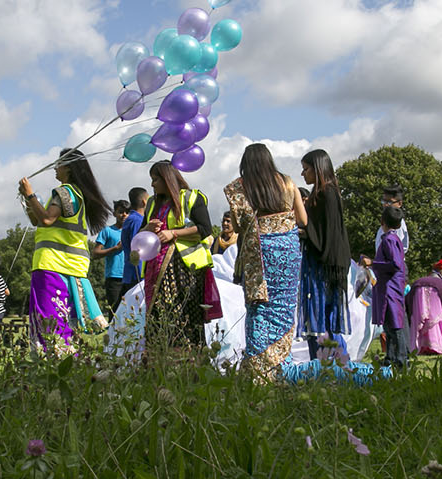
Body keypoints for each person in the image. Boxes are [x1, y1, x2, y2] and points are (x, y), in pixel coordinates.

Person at [227, 143, 307, 380]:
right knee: (283, 306)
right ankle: (282, 366)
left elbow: (239, 226)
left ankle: (258, 371)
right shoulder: (288, 182)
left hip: (259, 254)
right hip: (287, 251)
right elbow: (302, 219)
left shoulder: (239, 188)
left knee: (259, 306)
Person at [18, 148, 110, 354]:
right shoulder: (74, 194)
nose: (54, 168)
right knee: (60, 320)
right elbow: (37, 219)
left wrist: (31, 193)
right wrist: (27, 199)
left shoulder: (65, 192)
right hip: (68, 266)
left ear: (68, 168)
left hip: (52, 264)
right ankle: (66, 363)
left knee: (49, 321)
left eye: (59, 164)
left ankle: (56, 363)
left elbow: (46, 220)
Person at [138, 160, 221, 360]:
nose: (152, 185)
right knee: (158, 315)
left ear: (168, 179)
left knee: (184, 315)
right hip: (156, 271)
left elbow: (204, 229)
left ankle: (190, 363)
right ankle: (159, 362)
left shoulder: (192, 198)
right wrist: (147, 229)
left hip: (184, 270)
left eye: (155, 180)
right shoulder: (152, 204)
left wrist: (173, 233)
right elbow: (141, 233)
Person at [298, 149, 352, 359]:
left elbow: (327, 233)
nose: (303, 174)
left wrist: (304, 231)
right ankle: (327, 364)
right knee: (321, 318)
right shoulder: (324, 193)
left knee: (321, 318)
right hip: (323, 263)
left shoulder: (326, 193)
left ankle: (332, 365)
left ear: (318, 168)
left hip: (323, 266)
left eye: (306, 169)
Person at [370, 204, 409, 367]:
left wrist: (373, 263)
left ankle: (401, 360)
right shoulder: (394, 239)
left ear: (382, 221)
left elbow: (395, 264)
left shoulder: (389, 240)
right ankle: (390, 358)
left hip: (390, 289)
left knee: (395, 326)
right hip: (389, 288)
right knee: (389, 325)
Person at [407, 260, 442, 355]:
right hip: (435, 297)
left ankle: (420, 345)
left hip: (417, 295)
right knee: (441, 316)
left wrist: (410, 315)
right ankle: (436, 345)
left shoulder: (417, 282)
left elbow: (408, 301)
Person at [94, 199, 129, 312]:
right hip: (114, 279)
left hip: (130, 277)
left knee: (131, 313)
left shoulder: (133, 231)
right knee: (115, 313)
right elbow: (95, 253)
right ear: (114, 213)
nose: (124, 215)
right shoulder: (107, 231)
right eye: (120, 211)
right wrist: (115, 248)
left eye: (127, 212)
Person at [367, 185, 409, 264]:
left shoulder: (397, 224)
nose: (386, 205)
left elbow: (393, 256)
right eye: (384, 201)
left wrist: (372, 262)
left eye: (389, 202)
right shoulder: (385, 224)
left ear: (399, 203)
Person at [119, 186, 148, 297]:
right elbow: (137, 245)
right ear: (144, 202)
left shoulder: (131, 219)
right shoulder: (137, 220)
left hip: (130, 271)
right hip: (136, 273)